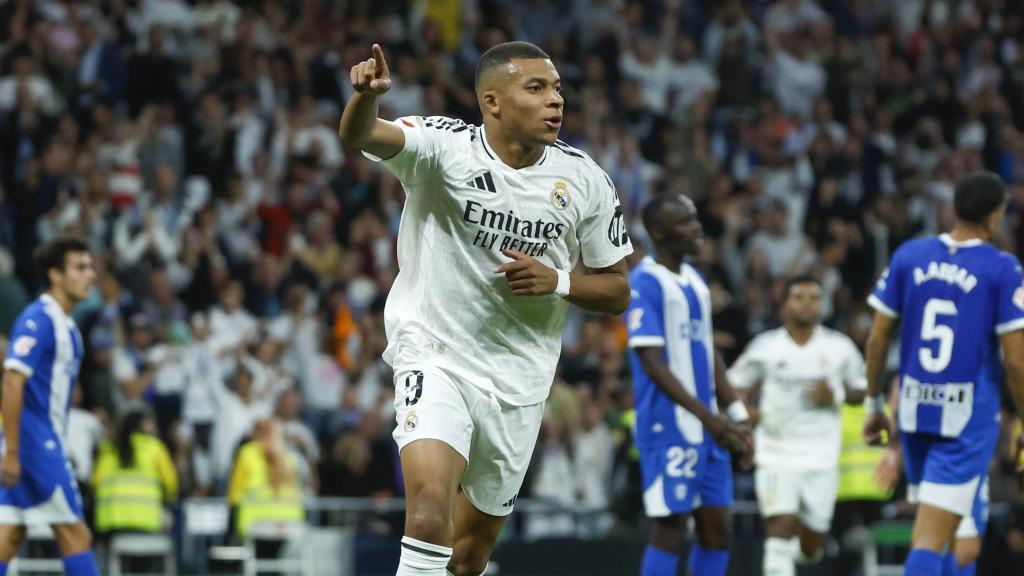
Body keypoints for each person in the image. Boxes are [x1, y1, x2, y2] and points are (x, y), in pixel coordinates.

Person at [338, 41, 633, 576]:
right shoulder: (442, 147)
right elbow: (362, 134)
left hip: (519, 382)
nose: (556, 101)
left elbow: (617, 290)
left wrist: (560, 280)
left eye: (558, 89)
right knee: (428, 516)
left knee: (467, 559)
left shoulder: (585, 179)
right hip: (435, 354)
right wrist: (365, 99)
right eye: (537, 88)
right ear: (492, 102)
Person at [863, 170, 1024, 576]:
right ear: (995, 216)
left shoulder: (909, 255)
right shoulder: (1003, 268)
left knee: (946, 534)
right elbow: (1016, 360)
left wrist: (873, 403)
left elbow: (878, 338)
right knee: (932, 541)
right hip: (966, 416)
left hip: (915, 410)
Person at [626, 194, 753, 576]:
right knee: (671, 525)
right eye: (686, 222)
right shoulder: (645, 281)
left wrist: (737, 415)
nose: (697, 229)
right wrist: (711, 419)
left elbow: (707, 347)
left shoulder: (696, 282)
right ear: (660, 232)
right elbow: (652, 364)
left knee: (718, 529)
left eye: (695, 219)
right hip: (669, 426)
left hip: (709, 426)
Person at [727, 276, 867, 576]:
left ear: (822, 305)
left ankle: (803, 553)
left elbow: (863, 388)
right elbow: (733, 384)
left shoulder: (839, 347)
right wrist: (746, 413)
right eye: (798, 297)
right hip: (776, 452)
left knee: (811, 544)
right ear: (785, 305)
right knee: (778, 527)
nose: (806, 303)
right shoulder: (766, 347)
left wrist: (836, 394)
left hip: (821, 457)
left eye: (813, 297)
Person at [0, 236, 100, 576]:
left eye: (90, 266)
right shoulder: (39, 318)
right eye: (80, 268)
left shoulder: (68, 326)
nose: (90, 275)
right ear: (55, 275)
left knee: (8, 537)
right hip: (35, 443)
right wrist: (12, 451)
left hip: (35, 439)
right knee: (76, 533)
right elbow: (12, 379)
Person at [92, 408, 178, 535]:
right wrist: (169, 499)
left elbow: (95, 482)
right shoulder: (154, 447)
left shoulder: (107, 448)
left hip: (110, 520)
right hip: (146, 520)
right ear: (143, 423)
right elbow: (171, 484)